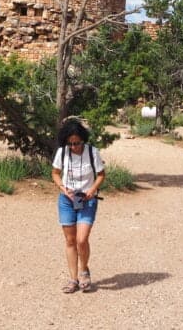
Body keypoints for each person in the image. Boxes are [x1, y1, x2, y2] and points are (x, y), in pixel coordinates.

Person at [51, 118, 106, 293]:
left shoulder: (92, 152)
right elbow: (55, 173)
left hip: (87, 200)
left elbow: (101, 174)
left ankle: (84, 270)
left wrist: (93, 189)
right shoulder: (62, 153)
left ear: (83, 139)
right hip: (67, 200)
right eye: (71, 144)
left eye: (77, 143)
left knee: (82, 239)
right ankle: (73, 279)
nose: (74, 147)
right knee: (70, 240)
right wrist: (62, 187)